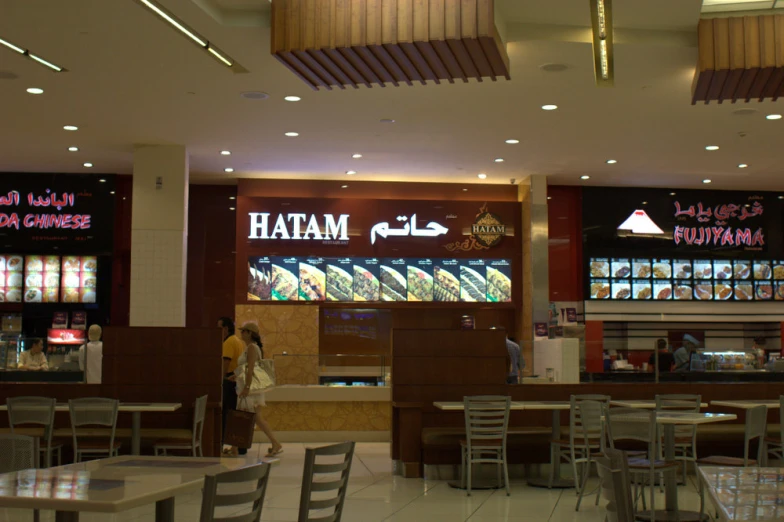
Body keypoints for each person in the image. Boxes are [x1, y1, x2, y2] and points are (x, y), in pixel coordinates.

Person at [229, 322, 282, 458]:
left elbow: (251, 368)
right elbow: (248, 368)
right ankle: (274, 443)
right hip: (250, 388)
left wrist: (246, 387)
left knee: (242, 417)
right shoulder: (251, 347)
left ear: (250, 333)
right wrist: (237, 376)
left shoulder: (252, 347)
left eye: (244, 331)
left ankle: (235, 447)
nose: (241, 334)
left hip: (249, 389)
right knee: (254, 418)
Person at [218, 317, 246, 455]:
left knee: (226, 413)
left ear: (226, 328)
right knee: (236, 413)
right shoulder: (237, 341)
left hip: (229, 380)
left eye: (219, 328)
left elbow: (226, 362)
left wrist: (221, 378)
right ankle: (239, 445)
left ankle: (224, 443)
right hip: (237, 380)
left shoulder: (228, 342)